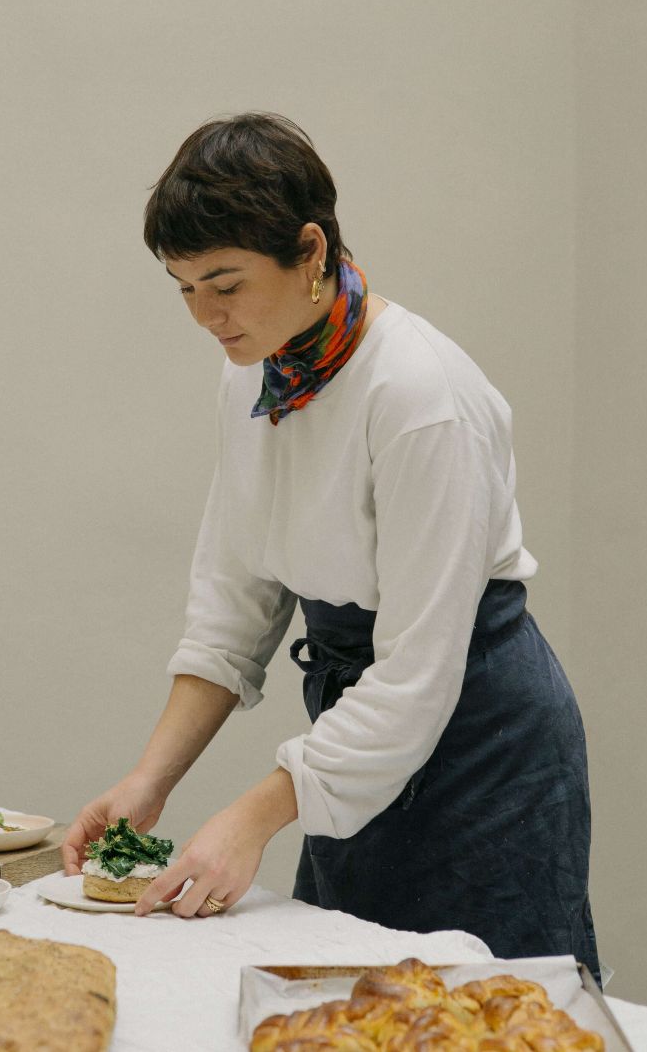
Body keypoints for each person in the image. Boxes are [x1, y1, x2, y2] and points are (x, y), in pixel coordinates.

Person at [62, 112, 599, 977]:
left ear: (309, 251)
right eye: (183, 287)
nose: (205, 315)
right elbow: (235, 598)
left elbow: (421, 672)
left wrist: (255, 815)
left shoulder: (420, 395)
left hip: (482, 747)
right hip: (358, 730)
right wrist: (150, 780)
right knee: (347, 1007)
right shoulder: (256, 365)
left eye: (225, 283)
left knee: (488, 1015)